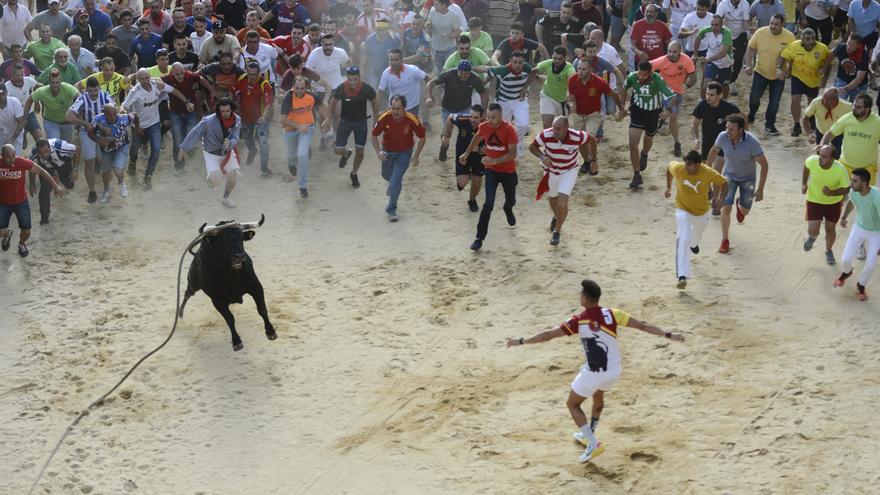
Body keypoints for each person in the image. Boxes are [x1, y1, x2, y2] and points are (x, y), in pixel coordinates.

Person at [505, 279, 685, 464]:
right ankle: (589, 433)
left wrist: (521, 341)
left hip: (594, 372)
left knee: (573, 405)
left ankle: (592, 443)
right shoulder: (612, 313)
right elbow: (643, 325)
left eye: (580, 293)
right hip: (614, 370)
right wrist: (668, 334)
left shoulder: (578, 320)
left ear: (585, 298)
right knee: (598, 397)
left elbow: (547, 335)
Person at [706, 114, 770, 254]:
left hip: (748, 178)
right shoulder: (723, 136)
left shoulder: (752, 142)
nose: (728, 132)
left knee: (745, 211)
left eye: (731, 129)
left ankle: (740, 204)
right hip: (730, 176)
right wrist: (707, 170)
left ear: (741, 130)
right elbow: (714, 151)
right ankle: (725, 240)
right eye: (726, 128)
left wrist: (760, 189)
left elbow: (764, 165)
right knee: (726, 208)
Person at [666, 150, 728, 288]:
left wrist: (721, 198)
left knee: (697, 234)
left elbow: (724, 183)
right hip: (682, 209)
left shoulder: (707, 172)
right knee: (683, 237)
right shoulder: (679, 168)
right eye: (686, 163)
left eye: (690, 164)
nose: (686, 166)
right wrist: (668, 187)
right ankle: (682, 276)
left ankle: (694, 244)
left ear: (698, 164)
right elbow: (669, 168)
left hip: (702, 212)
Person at [461, 102, 518, 250]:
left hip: (508, 171)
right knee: (488, 204)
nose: (490, 120)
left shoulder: (509, 130)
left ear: (500, 116)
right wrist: (466, 153)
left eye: (493, 117)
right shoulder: (484, 126)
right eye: (488, 116)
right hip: (491, 170)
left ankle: (508, 208)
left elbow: (513, 153)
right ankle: (479, 238)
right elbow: (477, 138)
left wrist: (495, 160)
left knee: (511, 199)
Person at [530, 116, 592, 246]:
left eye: (558, 129)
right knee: (553, 199)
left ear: (566, 129)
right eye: (554, 128)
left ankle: (557, 232)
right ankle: (556, 217)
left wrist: (593, 160)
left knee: (562, 202)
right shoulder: (546, 135)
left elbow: (590, 139)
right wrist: (542, 156)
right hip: (551, 171)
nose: (555, 131)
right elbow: (532, 146)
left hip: (569, 171)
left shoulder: (577, 136)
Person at [0, 143, 65, 257]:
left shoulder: (21, 162)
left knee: (26, 231)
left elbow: (42, 172)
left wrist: (55, 186)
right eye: (8, 157)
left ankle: (22, 243)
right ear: (2, 155)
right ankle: (7, 234)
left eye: (13, 156)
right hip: (3, 203)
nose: (12, 159)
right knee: (0, 231)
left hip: (21, 202)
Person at [370, 94, 426, 221]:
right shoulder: (384, 117)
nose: (395, 111)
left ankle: (391, 210)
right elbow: (373, 135)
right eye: (393, 108)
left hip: (404, 153)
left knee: (395, 180)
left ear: (404, 108)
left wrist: (416, 155)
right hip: (387, 152)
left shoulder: (412, 119)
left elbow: (422, 137)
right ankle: (394, 186)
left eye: (398, 109)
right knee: (387, 176)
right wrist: (379, 152)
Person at [179, 97, 242, 208]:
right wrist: (184, 148)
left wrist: (231, 143)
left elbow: (236, 137)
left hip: (227, 152)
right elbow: (195, 133)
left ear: (231, 109)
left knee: (233, 176)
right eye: (222, 111)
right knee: (216, 180)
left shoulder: (236, 119)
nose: (225, 114)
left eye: (228, 111)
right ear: (218, 110)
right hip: (211, 152)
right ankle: (210, 177)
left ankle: (226, 198)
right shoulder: (208, 121)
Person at [621, 60, 675, 189]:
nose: (641, 77)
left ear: (650, 73)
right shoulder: (632, 77)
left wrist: (667, 110)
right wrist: (622, 107)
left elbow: (672, 96)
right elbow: (623, 89)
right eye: (639, 73)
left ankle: (644, 153)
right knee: (632, 144)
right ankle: (636, 174)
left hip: (653, 113)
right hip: (637, 111)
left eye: (644, 75)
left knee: (648, 139)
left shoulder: (658, 79)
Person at [744, 14, 794, 136]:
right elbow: (750, 48)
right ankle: (752, 114)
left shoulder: (789, 37)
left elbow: (792, 57)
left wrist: (788, 72)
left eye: (776, 24)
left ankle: (770, 125)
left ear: (782, 24)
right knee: (754, 98)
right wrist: (748, 65)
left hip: (778, 76)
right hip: (760, 71)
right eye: (771, 23)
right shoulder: (761, 32)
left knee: (774, 101)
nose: (773, 26)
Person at [280, 76, 330, 197]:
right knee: (292, 156)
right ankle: (291, 163)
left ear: (306, 87)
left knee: (302, 155)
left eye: (302, 88)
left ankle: (303, 187)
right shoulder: (289, 97)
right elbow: (283, 120)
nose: (299, 91)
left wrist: (327, 119)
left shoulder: (311, 96)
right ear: (293, 87)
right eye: (297, 88)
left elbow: (322, 106)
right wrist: (298, 126)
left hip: (307, 128)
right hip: (290, 130)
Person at [834, 168, 880, 301]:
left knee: (870, 265)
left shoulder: (877, 197)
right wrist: (844, 217)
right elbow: (851, 203)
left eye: (854, 181)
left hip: (876, 233)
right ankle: (847, 273)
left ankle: (861, 285)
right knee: (845, 259)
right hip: (859, 228)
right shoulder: (854, 192)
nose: (851, 183)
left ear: (864, 183)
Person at [330, 66, 379, 188]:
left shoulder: (366, 88)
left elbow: (375, 101)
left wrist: (376, 119)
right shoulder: (342, 88)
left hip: (361, 123)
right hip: (345, 122)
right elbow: (333, 102)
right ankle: (346, 153)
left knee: (360, 152)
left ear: (359, 78)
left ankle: (354, 173)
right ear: (347, 78)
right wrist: (328, 119)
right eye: (350, 79)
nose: (352, 82)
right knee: (337, 150)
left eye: (355, 79)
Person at [65, 77, 112, 203]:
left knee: (103, 159)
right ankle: (92, 191)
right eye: (90, 91)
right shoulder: (82, 99)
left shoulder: (106, 97)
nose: (93, 93)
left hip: (101, 132)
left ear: (99, 89)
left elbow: (114, 111)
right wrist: (84, 122)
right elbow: (68, 116)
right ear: (86, 90)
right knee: (89, 163)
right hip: (86, 132)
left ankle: (100, 166)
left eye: (96, 90)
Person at [802, 145, 851, 265]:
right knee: (813, 230)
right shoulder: (813, 160)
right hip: (814, 200)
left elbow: (847, 188)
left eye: (824, 156)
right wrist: (804, 183)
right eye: (820, 154)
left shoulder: (840, 169)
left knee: (830, 230)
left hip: (833, 203)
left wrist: (832, 192)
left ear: (833, 159)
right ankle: (812, 237)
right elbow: (806, 166)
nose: (820, 158)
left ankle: (828, 251)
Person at [778, 28, 830, 138]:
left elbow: (829, 62)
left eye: (813, 38)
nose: (811, 41)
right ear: (802, 39)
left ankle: (811, 119)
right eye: (808, 39)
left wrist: (824, 78)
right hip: (798, 77)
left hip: (813, 80)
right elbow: (783, 56)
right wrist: (781, 69)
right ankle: (796, 125)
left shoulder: (822, 48)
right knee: (795, 100)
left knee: (811, 103)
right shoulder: (794, 46)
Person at [821, 93, 880, 186]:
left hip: (867, 170)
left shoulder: (877, 123)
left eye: (858, 107)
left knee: (864, 199)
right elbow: (830, 133)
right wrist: (823, 147)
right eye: (854, 105)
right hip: (845, 166)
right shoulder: (847, 118)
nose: (854, 108)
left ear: (867, 109)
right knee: (838, 195)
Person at [164, 62, 213, 173]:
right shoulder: (168, 79)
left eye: (182, 73)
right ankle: (179, 165)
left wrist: (212, 90)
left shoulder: (190, 75)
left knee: (191, 134)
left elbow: (201, 79)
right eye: (177, 74)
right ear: (172, 74)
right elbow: (155, 80)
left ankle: (189, 149)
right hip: (175, 112)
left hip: (191, 111)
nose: (181, 76)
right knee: (177, 139)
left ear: (185, 71)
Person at [651, 40, 696, 157]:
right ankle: (659, 121)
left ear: (680, 51)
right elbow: (646, 67)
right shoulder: (661, 60)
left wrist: (687, 85)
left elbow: (693, 77)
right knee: (662, 113)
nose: (671, 54)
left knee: (673, 116)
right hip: (662, 90)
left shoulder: (687, 60)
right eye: (669, 51)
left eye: (674, 52)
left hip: (677, 92)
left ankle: (677, 143)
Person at [487, 50, 534, 158]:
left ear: (524, 61)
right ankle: (503, 147)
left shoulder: (527, 68)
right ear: (510, 61)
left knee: (523, 124)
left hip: (519, 100)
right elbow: (486, 69)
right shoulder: (503, 70)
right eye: (515, 62)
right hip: (503, 102)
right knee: (502, 126)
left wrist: (525, 88)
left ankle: (517, 142)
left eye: (520, 62)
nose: (517, 65)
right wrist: (470, 68)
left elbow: (533, 73)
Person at [441, 105, 485, 212]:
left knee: (477, 181)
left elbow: (492, 149)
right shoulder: (463, 119)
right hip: (462, 152)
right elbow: (450, 117)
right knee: (461, 184)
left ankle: (472, 199)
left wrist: (479, 149)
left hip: (478, 156)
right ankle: (467, 174)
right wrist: (446, 135)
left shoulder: (488, 126)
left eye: (476, 118)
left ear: (482, 117)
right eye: (471, 116)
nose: (472, 120)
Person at [234, 62, 274, 176]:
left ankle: (264, 167)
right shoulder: (241, 79)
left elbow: (268, 104)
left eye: (254, 74)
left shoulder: (264, 84)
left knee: (263, 142)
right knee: (248, 139)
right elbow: (235, 93)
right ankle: (252, 150)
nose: (251, 77)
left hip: (260, 119)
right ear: (246, 71)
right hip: (246, 117)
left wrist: (264, 116)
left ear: (259, 73)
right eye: (249, 74)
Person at [88, 103, 133, 203]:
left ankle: (121, 184)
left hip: (122, 146)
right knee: (106, 172)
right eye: (109, 114)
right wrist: (99, 141)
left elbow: (135, 116)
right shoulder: (97, 120)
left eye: (114, 114)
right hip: (106, 150)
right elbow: (90, 133)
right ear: (104, 113)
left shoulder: (123, 119)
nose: (113, 117)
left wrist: (138, 128)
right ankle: (106, 190)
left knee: (118, 170)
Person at [426, 60, 489, 128]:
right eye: (461, 73)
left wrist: (484, 111)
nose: (463, 76)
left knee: (466, 131)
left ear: (470, 72)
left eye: (466, 74)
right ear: (457, 70)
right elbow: (430, 83)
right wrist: (428, 97)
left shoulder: (475, 78)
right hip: (447, 108)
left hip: (465, 109)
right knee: (446, 132)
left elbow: (484, 94)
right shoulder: (449, 74)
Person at [28, 138, 78, 220]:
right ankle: (44, 218)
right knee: (45, 190)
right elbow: (32, 169)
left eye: (46, 151)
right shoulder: (33, 154)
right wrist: (32, 184)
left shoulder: (60, 146)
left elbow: (77, 150)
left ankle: (57, 177)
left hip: (62, 162)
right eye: (40, 153)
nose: (44, 155)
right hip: (47, 167)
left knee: (70, 184)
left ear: (50, 147)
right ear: (37, 151)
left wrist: (75, 169)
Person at [24, 69, 79, 142]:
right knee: (54, 144)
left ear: (61, 81)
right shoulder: (43, 91)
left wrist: (76, 115)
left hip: (67, 123)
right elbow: (30, 99)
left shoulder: (67, 88)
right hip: (51, 122)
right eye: (53, 83)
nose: (55, 85)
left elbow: (79, 98)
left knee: (65, 148)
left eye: (57, 82)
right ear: (49, 82)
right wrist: (25, 117)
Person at [378, 49, 429, 116]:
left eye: (396, 60)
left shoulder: (413, 70)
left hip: (412, 107)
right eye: (391, 60)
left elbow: (428, 78)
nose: (393, 62)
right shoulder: (386, 73)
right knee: (396, 126)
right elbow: (380, 92)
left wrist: (428, 95)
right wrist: (380, 109)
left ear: (401, 60)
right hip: (394, 108)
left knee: (411, 126)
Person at [692, 14, 732, 100]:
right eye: (712, 24)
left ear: (722, 25)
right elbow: (698, 38)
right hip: (712, 61)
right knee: (706, 82)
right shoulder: (706, 30)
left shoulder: (726, 33)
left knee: (724, 84)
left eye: (716, 25)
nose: (714, 27)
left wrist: (708, 59)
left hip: (725, 62)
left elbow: (723, 53)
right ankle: (702, 101)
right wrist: (695, 53)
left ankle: (724, 102)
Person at [535, 46, 575, 130]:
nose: (556, 61)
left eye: (560, 59)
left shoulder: (569, 68)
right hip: (547, 96)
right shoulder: (548, 63)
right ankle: (548, 142)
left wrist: (571, 94)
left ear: (565, 58)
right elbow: (533, 71)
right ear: (552, 56)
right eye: (555, 58)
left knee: (563, 127)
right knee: (547, 125)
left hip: (562, 101)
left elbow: (573, 78)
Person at [802, 88, 850, 157]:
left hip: (838, 134)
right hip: (821, 131)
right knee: (821, 155)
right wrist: (808, 134)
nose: (824, 100)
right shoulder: (816, 102)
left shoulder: (846, 106)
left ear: (835, 98)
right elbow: (805, 118)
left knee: (837, 156)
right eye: (824, 97)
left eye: (828, 99)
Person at [714, 0, 749, 95]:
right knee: (724, 58)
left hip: (740, 34)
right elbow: (717, 19)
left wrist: (751, 29)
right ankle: (721, 79)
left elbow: (745, 23)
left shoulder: (745, 4)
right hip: (727, 34)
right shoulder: (723, 4)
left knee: (738, 59)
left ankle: (732, 80)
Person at [822, 33, 869, 103]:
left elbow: (859, 79)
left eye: (852, 45)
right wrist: (824, 66)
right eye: (848, 43)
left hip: (859, 85)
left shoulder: (864, 56)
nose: (848, 47)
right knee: (838, 103)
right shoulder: (841, 47)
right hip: (842, 79)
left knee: (857, 106)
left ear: (858, 45)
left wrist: (845, 88)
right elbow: (832, 54)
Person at [5, 67, 44, 150]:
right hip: (16, 118)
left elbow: (40, 86)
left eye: (21, 75)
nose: (20, 78)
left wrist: (36, 100)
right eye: (17, 76)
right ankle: (23, 132)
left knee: (40, 139)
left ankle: (39, 158)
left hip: (29, 114)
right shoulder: (7, 87)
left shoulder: (28, 80)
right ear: (12, 75)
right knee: (22, 146)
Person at [428, 0, 464, 74]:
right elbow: (429, 23)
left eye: (436, 4)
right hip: (436, 49)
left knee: (449, 72)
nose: (434, 6)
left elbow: (458, 32)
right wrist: (428, 25)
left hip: (450, 48)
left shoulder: (453, 15)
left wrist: (449, 35)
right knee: (438, 72)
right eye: (434, 4)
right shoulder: (432, 11)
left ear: (444, 5)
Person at [0, 86, 25, 155]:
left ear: (6, 93)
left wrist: (12, 138)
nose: (1, 97)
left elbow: (21, 122)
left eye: (3, 94)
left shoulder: (14, 102)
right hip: (1, 135)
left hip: (16, 135)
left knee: (14, 158)